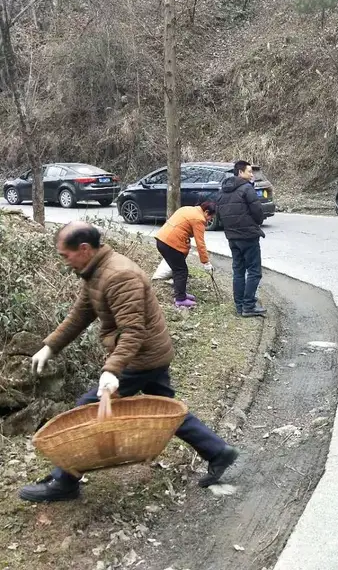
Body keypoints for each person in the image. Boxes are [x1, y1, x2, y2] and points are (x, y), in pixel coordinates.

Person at [19, 222, 238, 503]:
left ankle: (65, 482)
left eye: (65, 255)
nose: (64, 261)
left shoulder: (120, 276)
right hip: (148, 354)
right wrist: (50, 346)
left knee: (87, 409)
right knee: (166, 410)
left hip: (140, 357)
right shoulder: (96, 271)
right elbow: (80, 314)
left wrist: (112, 371)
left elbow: (133, 331)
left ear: (84, 249)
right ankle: (219, 452)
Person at [215, 161, 266, 317]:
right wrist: (256, 223)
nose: (252, 175)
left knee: (238, 271)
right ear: (240, 173)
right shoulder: (247, 189)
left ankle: (239, 305)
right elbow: (257, 210)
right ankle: (249, 305)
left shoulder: (222, 191)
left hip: (232, 237)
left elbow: (219, 214)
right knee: (254, 271)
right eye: (249, 172)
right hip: (248, 236)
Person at [155, 202, 215, 308]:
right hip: (171, 243)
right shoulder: (199, 219)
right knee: (181, 271)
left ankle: (181, 293)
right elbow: (200, 243)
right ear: (206, 212)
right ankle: (180, 299)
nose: (209, 220)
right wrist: (206, 262)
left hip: (161, 240)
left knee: (177, 269)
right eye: (210, 217)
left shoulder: (187, 209)